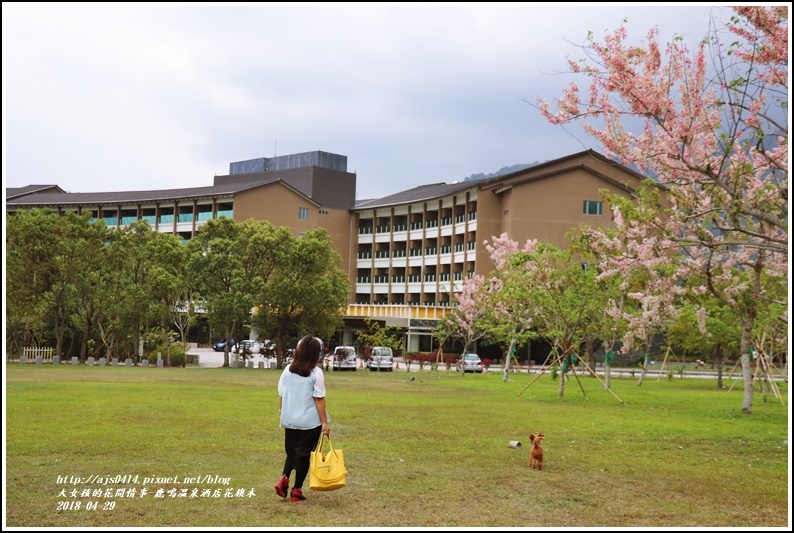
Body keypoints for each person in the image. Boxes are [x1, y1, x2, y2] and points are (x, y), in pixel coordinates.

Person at [274, 335, 330, 502]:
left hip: (290, 418)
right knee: (304, 455)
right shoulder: (316, 373)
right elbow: (319, 398)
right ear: (315, 353)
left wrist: (283, 412)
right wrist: (325, 423)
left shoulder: (287, 370)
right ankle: (296, 490)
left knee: (293, 451)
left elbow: (281, 394)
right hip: (310, 422)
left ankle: (284, 478)